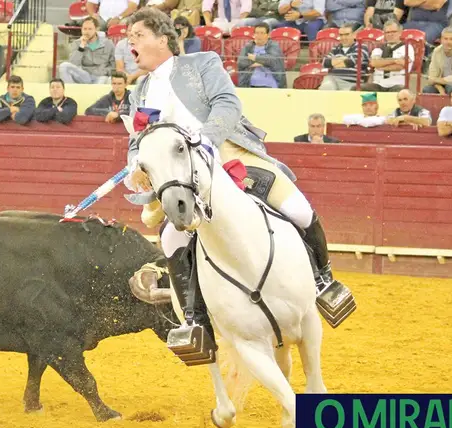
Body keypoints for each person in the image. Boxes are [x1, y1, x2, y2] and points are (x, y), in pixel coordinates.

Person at [122, 7, 354, 351]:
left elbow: (227, 103)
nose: (131, 43)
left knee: (299, 209)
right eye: (129, 39)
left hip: (226, 152)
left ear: (163, 39)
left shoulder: (202, 64)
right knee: (171, 239)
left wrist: (207, 140)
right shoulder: (138, 92)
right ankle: (195, 322)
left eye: (138, 36)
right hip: (179, 175)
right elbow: (136, 143)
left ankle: (323, 282)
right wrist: (136, 167)